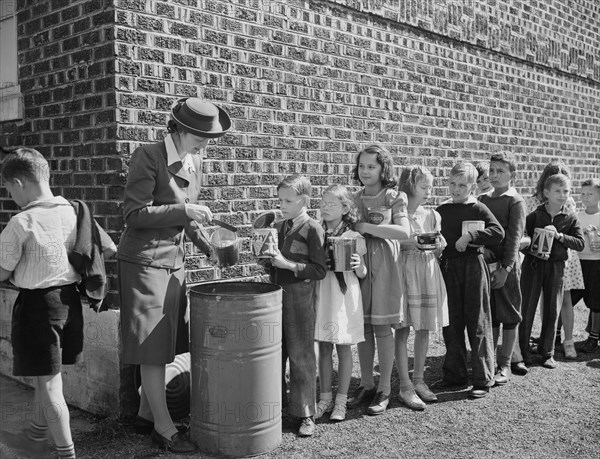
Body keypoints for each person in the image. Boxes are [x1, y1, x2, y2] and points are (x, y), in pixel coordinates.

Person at [117, 98, 231, 453]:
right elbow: (134, 214)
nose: (205, 144)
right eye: (200, 136)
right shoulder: (147, 155)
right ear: (180, 130)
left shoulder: (195, 161)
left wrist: (208, 247)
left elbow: (188, 220)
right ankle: (164, 429)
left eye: (209, 138)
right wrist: (184, 208)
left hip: (174, 264)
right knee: (153, 348)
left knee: (165, 342)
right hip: (144, 263)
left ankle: (145, 414)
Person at [0, 148, 116, 459]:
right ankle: (36, 437)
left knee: (51, 387)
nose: (10, 195)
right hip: (70, 304)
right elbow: (109, 248)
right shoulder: (76, 212)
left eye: (8, 189)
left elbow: (2, 270)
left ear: (20, 182)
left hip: (38, 308)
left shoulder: (21, 222)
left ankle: (66, 454)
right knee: (47, 376)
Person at [347, 145, 411, 416]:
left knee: (383, 328)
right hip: (359, 269)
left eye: (371, 166)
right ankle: (366, 384)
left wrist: (367, 228)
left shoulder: (394, 196)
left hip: (386, 270)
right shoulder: (353, 198)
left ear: (384, 168)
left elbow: (404, 231)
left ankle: (385, 388)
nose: (365, 171)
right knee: (363, 329)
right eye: (361, 166)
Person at [434, 162, 504, 398]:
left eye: (462, 185)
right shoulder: (441, 211)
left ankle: (483, 379)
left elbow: (498, 233)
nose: (456, 189)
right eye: (452, 183)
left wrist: (472, 236)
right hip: (448, 268)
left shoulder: (478, 208)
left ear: (473, 186)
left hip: (473, 266)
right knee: (451, 322)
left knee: (478, 321)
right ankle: (455, 374)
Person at [265, 175, 327, 437]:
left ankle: (306, 413)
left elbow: (320, 269)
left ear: (305, 200)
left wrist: (288, 265)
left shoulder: (313, 228)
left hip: (300, 296)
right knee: (273, 353)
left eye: (288, 200)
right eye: (280, 200)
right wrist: (266, 260)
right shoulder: (278, 227)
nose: (282, 205)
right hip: (274, 296)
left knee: (301, 354)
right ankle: (276, 408)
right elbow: (273, 261)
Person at [395, 166, 448, 410]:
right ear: (410, 186)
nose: (429, 191)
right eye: (424, 186)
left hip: (426, 271)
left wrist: (439, 244)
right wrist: (410, 242)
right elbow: (393, 242)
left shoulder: (432, 215)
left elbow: (438, 245)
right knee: (403, 327)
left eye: (430, 186)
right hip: (404, 271)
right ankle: (404, 384)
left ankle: (419, 380)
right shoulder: (398, 212)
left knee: (424, 326)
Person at [519, 174, 584, 369]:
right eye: (558, 191)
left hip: (557, 267)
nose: (563, 195)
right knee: (528, 306)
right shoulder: (534, 215)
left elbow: (580, 243)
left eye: (566, 191)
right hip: (533, 266)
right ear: (546, 193)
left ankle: (547, 353)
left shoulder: (571, 218)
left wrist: (561, 236)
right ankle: (522, 351)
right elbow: (521, 240)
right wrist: (533, 249)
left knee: (552, 309)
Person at [314, 184, 367, 422]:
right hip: (322, 292)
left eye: (331, 204)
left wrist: (359, 265)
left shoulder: (353, 236)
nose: (325, 207)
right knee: (323, 346)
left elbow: (363, 273)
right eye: (322, 203)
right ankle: (324, 398)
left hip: (343, 296)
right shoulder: (315, 232)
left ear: (345, 208)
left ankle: (341, 400)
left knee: (343, 346)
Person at [478, 152, 526, 386]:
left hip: (506, 267)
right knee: (490, 313)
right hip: (486, 265)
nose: (494, 175)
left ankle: (505, 364)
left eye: (501, 171)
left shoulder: (514, 201)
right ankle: (489, 360)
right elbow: (480, 229)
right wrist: (482, 247)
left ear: (512, 175)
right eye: (492, 170)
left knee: (508, 314)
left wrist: (506, 268)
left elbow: (514, 238)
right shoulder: (482, 199)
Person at [571, 178, 600, 353]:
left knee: (596, 302)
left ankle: (593, 338)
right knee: (568, 299)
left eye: (590, 193)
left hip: (597, 264)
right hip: (578, 263)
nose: (585, 197)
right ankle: (557, 335)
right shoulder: (577, 216)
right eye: (583, 193)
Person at [556, 197, 585, 359]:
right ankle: (550, 338)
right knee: (546, 300)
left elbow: (574, 228)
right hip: (543, 259)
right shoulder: (535, 202)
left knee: (566, 299)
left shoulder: (567, 201)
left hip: (565, 255)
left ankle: (568, 341)